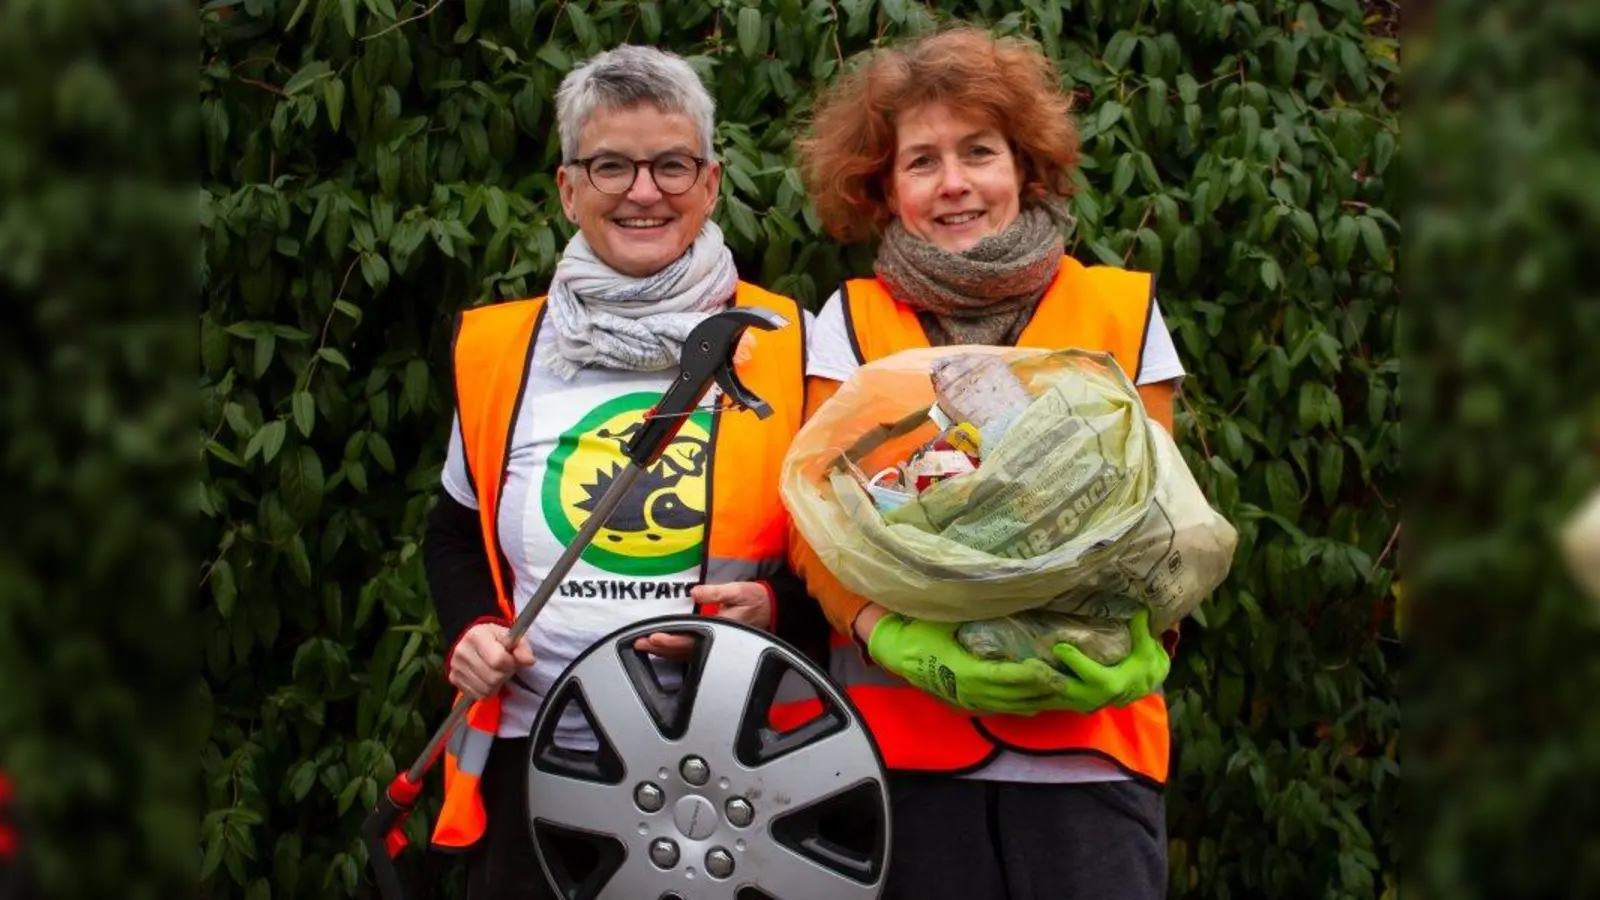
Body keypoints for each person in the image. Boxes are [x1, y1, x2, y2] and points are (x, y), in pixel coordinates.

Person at [789, 25, 1189, 900]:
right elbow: (812, 528)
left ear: (1026, 167)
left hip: (1091, 738)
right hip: (897, 749)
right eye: (921, 161)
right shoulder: (847, 320)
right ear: (884, 188)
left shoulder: (1121, 308)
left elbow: (1164, 528)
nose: (955, 183)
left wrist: (1151, 641)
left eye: (980, 152)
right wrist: (882, 633)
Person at [421, 44, 824, 899]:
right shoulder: (500, 348)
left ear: (710, 183)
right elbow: (453, 530)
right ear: (569, 188)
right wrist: (469, 633)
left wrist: (778, 610)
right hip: (540, 766)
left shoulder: (794, 343)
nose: (644, 192)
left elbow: (853, 554)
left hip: (734, 776)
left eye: (671, 165)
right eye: (612, 165)